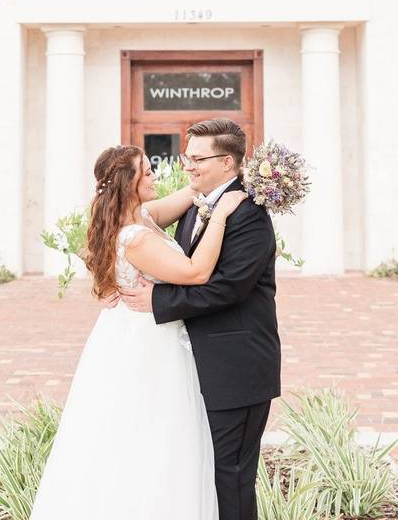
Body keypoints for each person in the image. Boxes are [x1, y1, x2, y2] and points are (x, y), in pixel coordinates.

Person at [28, 143, 247, 520]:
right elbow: (196, 273)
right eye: (147, 172)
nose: (155, 175)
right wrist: (223, 215)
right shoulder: (137, 238)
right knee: (152, 437)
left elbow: (193, 191)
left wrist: (234, 173)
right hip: (149, 345)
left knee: (141, 439)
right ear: (129, 183)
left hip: (133, 336)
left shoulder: (143, 216)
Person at [120, 118, 281, 520]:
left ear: (228, 162)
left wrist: (159, 299)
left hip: (237, 366)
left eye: (196, 158)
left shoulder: (249, 212)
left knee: (232, 474)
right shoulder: (201, 202)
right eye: (185, 156)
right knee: (203, 472)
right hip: (199, 365)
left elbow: (229, 287)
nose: (186, 165)